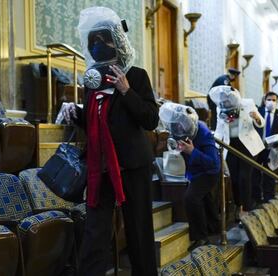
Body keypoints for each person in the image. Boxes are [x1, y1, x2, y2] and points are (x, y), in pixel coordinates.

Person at [63, 7, 158, 276]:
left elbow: (150, 119)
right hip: (101, 167)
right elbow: (96, 121)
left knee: (139, 231)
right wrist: (76, 114)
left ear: (116, 41)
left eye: (102, 41)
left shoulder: (136, 75)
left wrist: (126, 90)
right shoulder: (92, 80)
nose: (96, 46)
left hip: (132, 165)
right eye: (92, 42)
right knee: (95, 231)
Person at [159, 102, 221, 252]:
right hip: (194, 171)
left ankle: (201, 238)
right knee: (205, 200)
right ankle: (214, 229)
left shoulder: (203, 132)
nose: (178, 129)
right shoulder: (177, 128)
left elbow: (213, 163)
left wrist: (192, 151)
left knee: (191, 198)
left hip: (208, 172)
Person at [209, 85, 265, 218]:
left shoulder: (247, 103)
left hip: (248, 145)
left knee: (244, 177)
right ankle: (238, 205)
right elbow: (219, 128)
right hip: (231, 145)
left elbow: (261, 123)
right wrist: (215, 144)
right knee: (234, 178)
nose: (226, 102)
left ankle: (246, 210)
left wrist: (256, 117)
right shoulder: (220, 107)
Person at [253, 91, 278, 203]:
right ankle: (257, 199)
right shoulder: (257, 112)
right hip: (258, 147)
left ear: (277, 102)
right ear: (264, 100)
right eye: (269, 99)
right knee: (255, 174)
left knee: (270, 175)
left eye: (274, 100)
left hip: (273, 149)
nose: (271, 102)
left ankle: (269, 199)